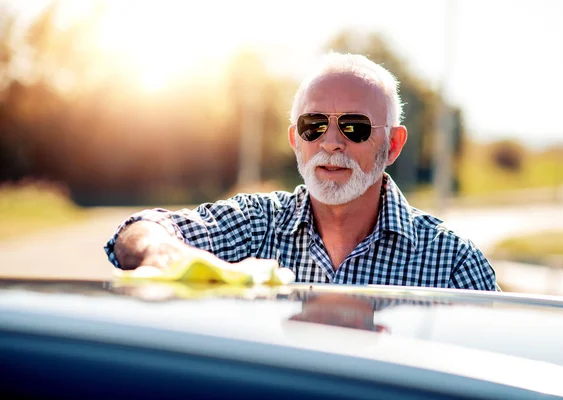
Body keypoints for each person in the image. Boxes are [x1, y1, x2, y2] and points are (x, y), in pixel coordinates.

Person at [105, 52, 498, 290]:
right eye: (314, 125)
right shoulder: (256, 225)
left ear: (392, 145)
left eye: (354, 127)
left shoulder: (453, 263)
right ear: (296, 139)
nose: (330, 142)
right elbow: (137, 230)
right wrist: (164, 253)